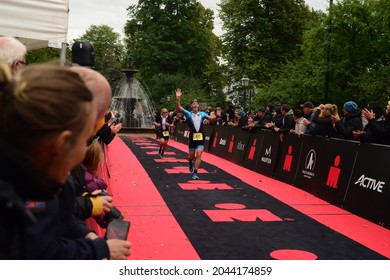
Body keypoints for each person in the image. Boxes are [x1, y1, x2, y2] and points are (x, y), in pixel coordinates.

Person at [21, 65, 131, 260]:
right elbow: (39, 253)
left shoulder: (40, 170)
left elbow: (58, 214)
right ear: (63, 141)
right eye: (85, 140)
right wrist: (100, 250)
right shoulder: (24, 183)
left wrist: (85, 234)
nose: (85, 152)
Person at [175, 88, 215, 180]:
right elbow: (179, 108)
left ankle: (195, 173)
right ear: (191, 106)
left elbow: (212, 119)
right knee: (191, 156)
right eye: (193, 104)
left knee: (200, 153)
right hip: (192, 137)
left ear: (198, 106)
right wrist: (178, 98)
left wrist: (216, 116)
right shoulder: (188, 114)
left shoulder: (202, 114)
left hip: (201, 136)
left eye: (197, 103)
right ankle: (190, 162)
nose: (195, 104)